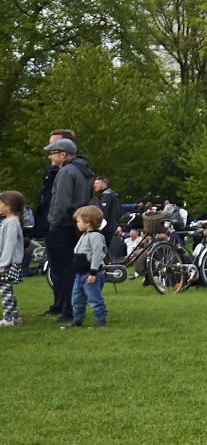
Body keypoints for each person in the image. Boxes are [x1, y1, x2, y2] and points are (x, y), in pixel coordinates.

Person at [40, 136, 95, 322]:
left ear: (63, 154)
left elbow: (60, 203)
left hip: (62, 226)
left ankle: (69, 310)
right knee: (72, 270)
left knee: (63, 272)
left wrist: (52, 224)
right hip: (75, 225)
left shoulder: (65, 172)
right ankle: (73, 308)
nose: (50, 157)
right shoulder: (83, 171)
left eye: (53, 153)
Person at [69, 204, 110, 328]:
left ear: (88, 222)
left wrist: (93, 272)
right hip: (80, 274)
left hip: (91, 274)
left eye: (79, 221)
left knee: (94, 298)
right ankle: (77, 319)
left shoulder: (96, 237)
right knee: (76, 298)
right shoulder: (84, 236)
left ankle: (101, 319)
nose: (77, 224)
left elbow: (98, 254)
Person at [0, 189, 24, 326]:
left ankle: (9, 318)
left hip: (8, 263)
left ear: (8, 206)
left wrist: (3, 264)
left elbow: (10, 244)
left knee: (5, 290)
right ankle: (14, 317)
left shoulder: (12, 222)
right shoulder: (7, 221)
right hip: (6, 262)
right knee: (6, 289)